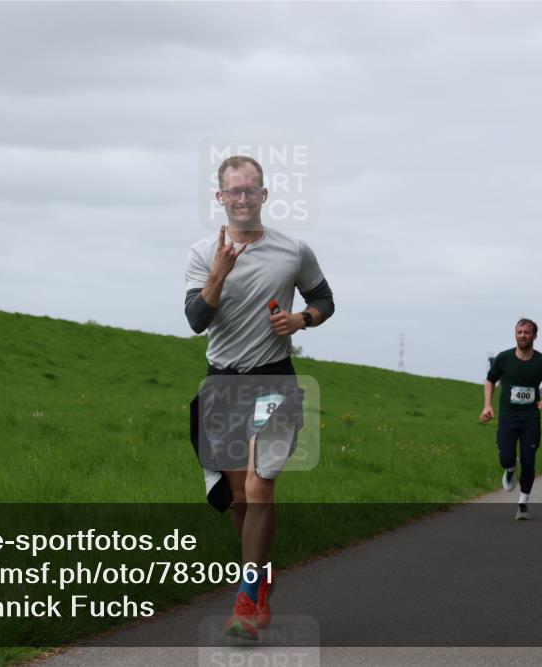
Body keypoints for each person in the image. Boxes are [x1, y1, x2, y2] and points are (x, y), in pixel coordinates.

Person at [185, 155, 335, 640]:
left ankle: (246, 598)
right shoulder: (203, 252)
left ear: (264, 195)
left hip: (272, 381)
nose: (244, 198)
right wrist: (219, 273)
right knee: (237, 499)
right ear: (220, 198)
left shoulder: (293, 251)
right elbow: (195, 320)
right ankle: (261, 579)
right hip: (223, 384)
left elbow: (325, 299)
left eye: (252, 190)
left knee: (260, 486)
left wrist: (301, 320)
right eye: (235, 191)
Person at [480, 318, 542, 521]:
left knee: (529, 460)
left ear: (534, 336)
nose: (522, 336)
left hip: (530, 420)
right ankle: (510, 469)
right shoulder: (504, 358)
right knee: (506, 457)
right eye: (519, 332)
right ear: (515, 334)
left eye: (526, 332)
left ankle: (523, 504)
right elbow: (490, 380)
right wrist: (487, 405)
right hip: (508, 418)